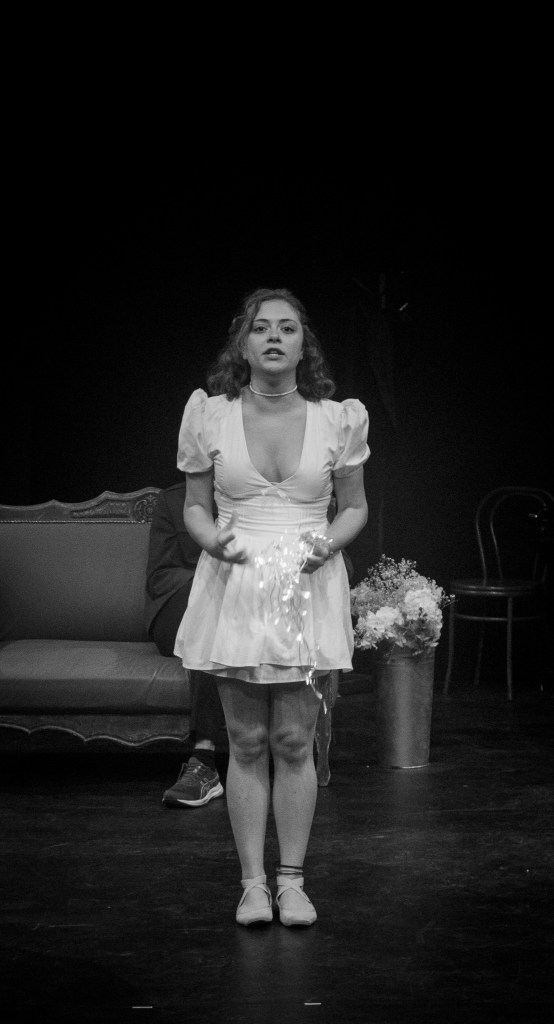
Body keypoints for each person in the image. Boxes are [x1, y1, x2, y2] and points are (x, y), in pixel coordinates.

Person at [174, 287, 369, 926]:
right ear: (244, 341)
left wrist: (328, 543)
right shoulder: (211, 415)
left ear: (304, 344)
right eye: (262, 328)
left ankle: (292, 882)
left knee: (292, 739)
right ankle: (252, 884)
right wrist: (211, 539)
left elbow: (354, 506)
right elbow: (195, 505)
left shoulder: (338, 419)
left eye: (287, 328)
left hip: (305, 587)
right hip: (236, 585)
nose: (275, 337)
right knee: (247, 739)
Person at [145, 481, 227, 807]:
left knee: (220, 613)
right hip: (176, 611)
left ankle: (287, 754)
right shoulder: (174, 500)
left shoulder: (266, 496)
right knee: (211, 610)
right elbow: (159, 577)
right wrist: (207, 584)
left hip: (249, 609)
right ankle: (203, 760)